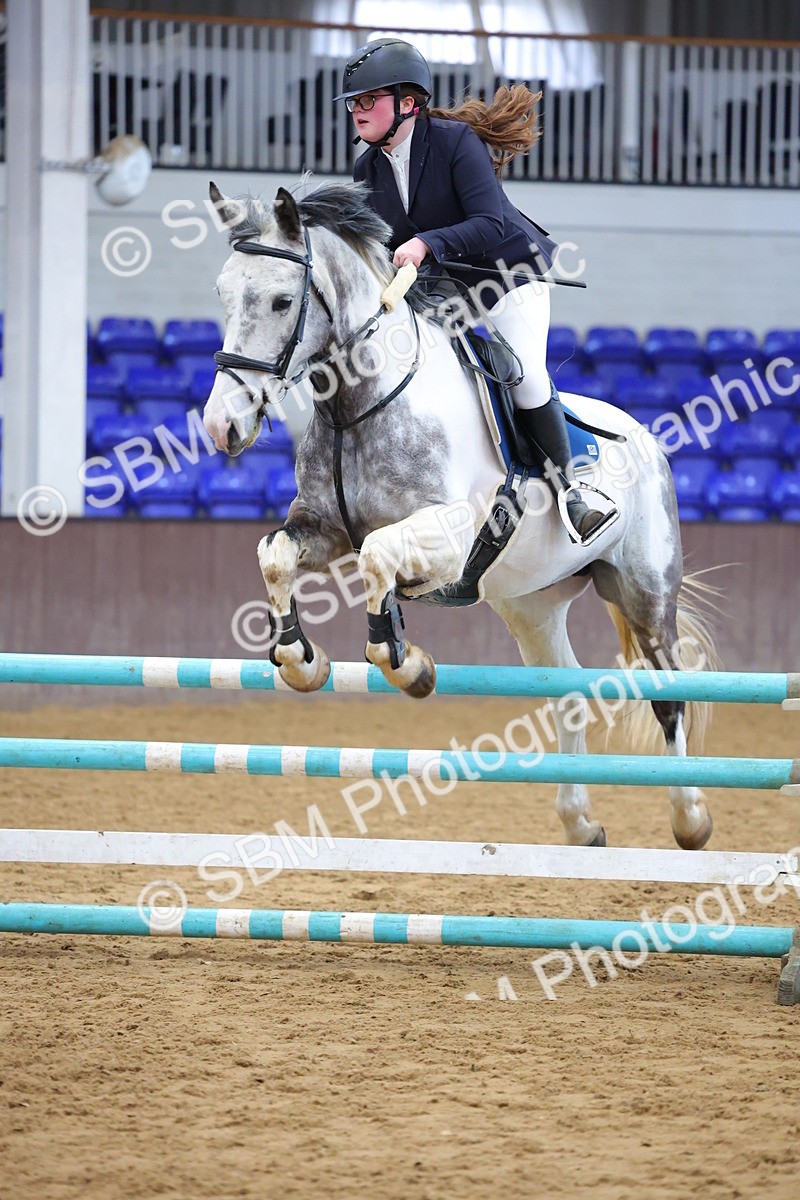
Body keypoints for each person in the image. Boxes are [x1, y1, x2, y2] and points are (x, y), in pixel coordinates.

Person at [334, 37, 618, 545]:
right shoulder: (366, 169)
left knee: (524, 376)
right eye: (353, 101)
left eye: (366, 99)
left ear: (407, 104)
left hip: (509, 275)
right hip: (448, 289)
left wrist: (424, 242)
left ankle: (575, 491)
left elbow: (488, 223)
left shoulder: (453, 142)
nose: (356, 110)